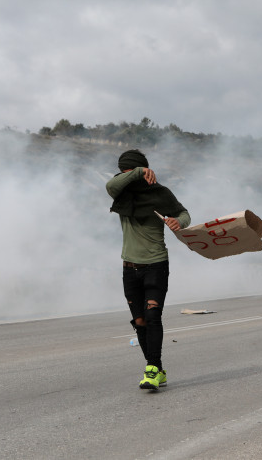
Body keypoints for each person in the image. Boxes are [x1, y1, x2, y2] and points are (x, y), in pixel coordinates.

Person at [106, 149, 191, 390]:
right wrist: (138, 172)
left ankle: (151, 369)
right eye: (125, 173)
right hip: (129, 268)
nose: (128, 177)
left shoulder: (160, 194)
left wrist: (178, 222)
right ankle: (158, 369)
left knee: (153, 316)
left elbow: (184, 214)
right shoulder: (122, 194)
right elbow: (111, 184)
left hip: (156, 265)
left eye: (132, 171)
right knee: (140, 321)